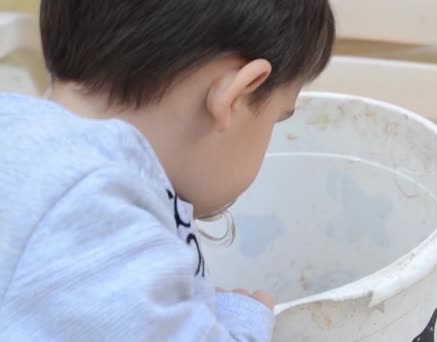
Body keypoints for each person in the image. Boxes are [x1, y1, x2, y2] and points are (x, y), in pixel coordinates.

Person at [0, 1, 335, 340]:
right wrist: (239, 325)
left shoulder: (25, 145)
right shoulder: (94, 217)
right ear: (235, 95)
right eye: (276, 119)